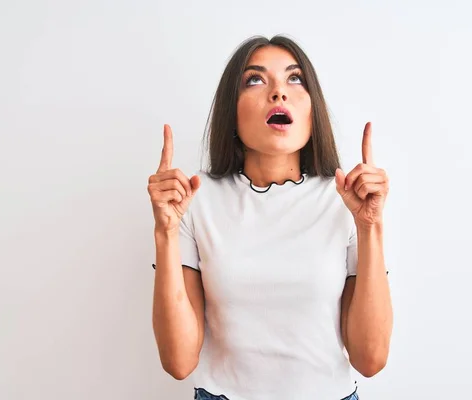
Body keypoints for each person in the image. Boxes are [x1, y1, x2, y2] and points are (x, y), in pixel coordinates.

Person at [148, 35, 393, 400]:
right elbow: (179, 361)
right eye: (256, 80)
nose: (279, 92)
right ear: (232, 111)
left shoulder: (345, 200)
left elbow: (371, 359)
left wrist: (369, 225)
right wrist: (165, 232)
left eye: (295, 79)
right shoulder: (196, 202)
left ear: (313, 108)